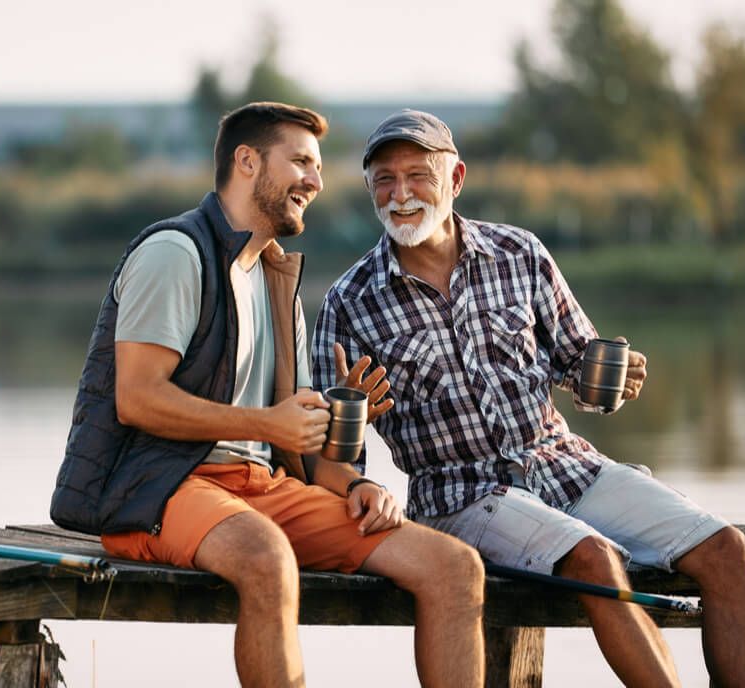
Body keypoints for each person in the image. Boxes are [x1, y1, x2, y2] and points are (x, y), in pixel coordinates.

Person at [312, 109, 745, 687]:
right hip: (462, 495)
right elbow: (330, 460)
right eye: (385, 179)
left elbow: (578, 360)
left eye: (417, 176)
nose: (401, 195)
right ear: (369, 190)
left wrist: (608, 375)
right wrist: (351, 436)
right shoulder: (349, 302)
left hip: (565, 466)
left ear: (454, 180)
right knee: (596, 558)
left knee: (727, 549)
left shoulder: (520, 254)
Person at [51, 102, 485, 688]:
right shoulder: (175, 252)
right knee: (268, 558)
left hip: (260, 490)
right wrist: (267, 424)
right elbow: (137, 399)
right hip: (156, 488)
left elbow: (299, 441)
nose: (316, 180)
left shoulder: (278, 277)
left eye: (319, 166)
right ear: (248, 161)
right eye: (301, 161)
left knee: (453, 567)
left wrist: (356, 481)